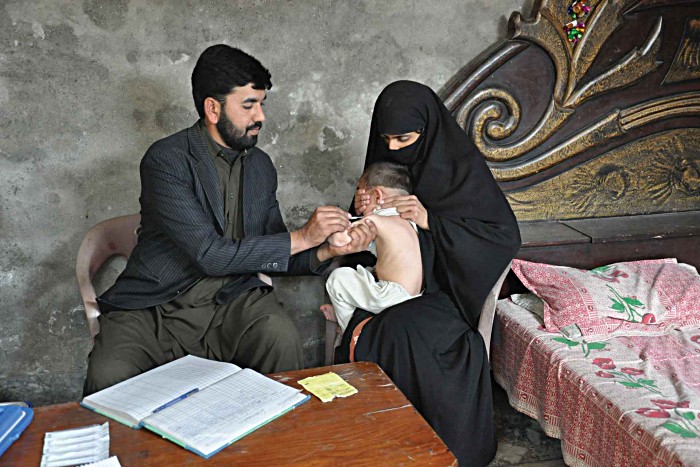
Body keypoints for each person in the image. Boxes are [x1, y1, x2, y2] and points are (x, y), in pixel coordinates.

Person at [83, 44, 376, 395]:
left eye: (262, 104)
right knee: (109, 373)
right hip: (157, 308)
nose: (261, 116)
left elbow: (271, 247)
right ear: (212, 108)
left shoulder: (260, 166)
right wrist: (304, 236)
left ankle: (276, 448)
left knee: (279, 336)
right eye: (249, 105)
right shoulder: (166, 160)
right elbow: (210, 254)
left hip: (231, 302)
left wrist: (325, 248)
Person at [340, 80, 521, 466]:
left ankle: (436, 451)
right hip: (387, 285)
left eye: (403, 138)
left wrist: (430, 220)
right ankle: (379, 444)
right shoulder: (384, 166)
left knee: (404, 328)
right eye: (385, 138)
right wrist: (364, 209)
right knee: (385, 320)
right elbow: (357, 241)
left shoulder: (458, 171)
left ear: (427, 130)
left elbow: (503, 237)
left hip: (447, 294)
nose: (392, 149)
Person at [319, 162, 423, 343]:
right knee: (368, 269)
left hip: (391, 297)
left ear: (376, 195)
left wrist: (345, 221)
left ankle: (348, 330)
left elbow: (338, 241)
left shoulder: (375, 219)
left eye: (361, 193)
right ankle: (346, 314)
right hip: (416, 298)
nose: (358, 202)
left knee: (338, 278)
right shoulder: (410, 222)